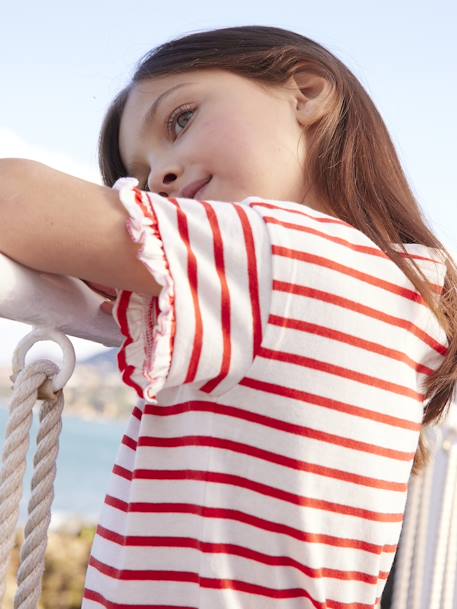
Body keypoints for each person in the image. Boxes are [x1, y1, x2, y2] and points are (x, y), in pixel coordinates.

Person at [1, 24, 456, 609]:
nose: (159, 178)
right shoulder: (396, 291)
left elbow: (12, 196)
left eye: (181, 118)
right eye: (139, 180)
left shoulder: (280, 256)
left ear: (308, 91)